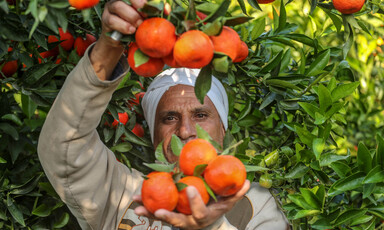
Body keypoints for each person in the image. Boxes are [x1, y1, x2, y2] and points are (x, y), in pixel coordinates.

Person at [37, 0, 289, 229]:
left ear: (223, 128)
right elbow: (64, 148)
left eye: (200, 115)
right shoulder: (126, 194)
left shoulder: (257, 204)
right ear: (153, 133)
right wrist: (110, 45)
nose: (186, 131)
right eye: (169, 118)